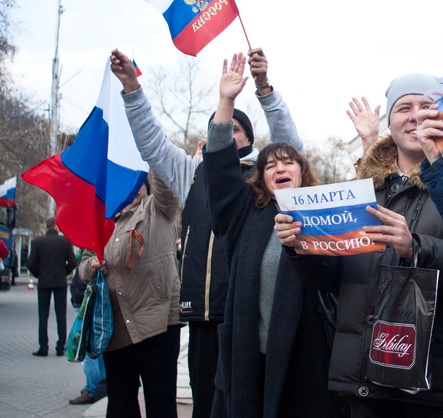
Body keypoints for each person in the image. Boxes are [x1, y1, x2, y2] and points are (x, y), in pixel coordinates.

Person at [277, 73, 443, 417]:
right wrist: (299, 246)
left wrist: (418, 249)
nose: (414, 116)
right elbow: (329, 280)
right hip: (365, 383)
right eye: (403, 108)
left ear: (442, 117)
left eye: (426, 106)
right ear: (390, 122)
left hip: (436, 389)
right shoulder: (359, 194)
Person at [109, 47, 302, 418]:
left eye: (233, 129)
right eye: (219, 127)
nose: (224, 132)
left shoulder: (263, 179)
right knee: (207, 406)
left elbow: (290, 148)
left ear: (249, 139)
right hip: (204, 313)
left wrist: (264, 89)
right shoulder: (191, 172)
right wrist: (132, 89)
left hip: (250, 313)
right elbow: (151, 143)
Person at [203, 53, 338, 417]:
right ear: (261, 178)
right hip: (249, 357)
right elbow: (220, 169)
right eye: (270, 164)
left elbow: (337, 276)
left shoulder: (324, 215)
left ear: (302, 171)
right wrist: (226, 101)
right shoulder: (246, 212)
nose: (280, 167)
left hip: (305, 362)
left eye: (288, 162)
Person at [78, 174, 182, 418]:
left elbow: (165, 180)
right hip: (115, 328)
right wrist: (91, 265)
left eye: (138, 181)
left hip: (156, 325)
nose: (131, 187)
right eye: (124, 181)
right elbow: (83, 266)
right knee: (120, 405)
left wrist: (148, 154)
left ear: (146, 186)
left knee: (161, 403)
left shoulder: (158, 207)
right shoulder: (102, 220)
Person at [27, 217, 77, 357]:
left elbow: (30, 264)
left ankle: (43, 347)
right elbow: (73, 262)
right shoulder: (65, 242)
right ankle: (60, 347)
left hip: (44, 283)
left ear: (47, 227)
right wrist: (64, 273)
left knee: (43, 315)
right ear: (56, 227)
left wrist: (39, 274)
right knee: (61, 315)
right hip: (60, 283)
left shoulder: (37, 242)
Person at [68, 260, 107, 405]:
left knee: (88, 348)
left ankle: (93, 390)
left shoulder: (92, 250)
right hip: (85, 297)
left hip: (87, 299)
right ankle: (100, 388)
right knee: (97, 349)